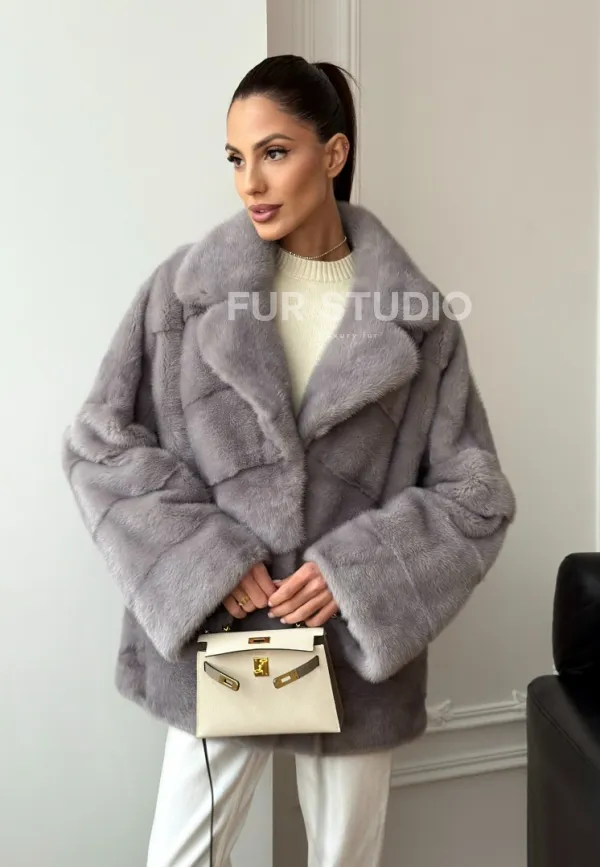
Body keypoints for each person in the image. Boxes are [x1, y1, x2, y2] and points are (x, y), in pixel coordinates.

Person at [62, 54, 516, 867]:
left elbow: (474, 494)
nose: (251, 182)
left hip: (350, 651)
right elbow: (100, 440)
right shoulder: (183, 293)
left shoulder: (418, 320)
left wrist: (358, 574)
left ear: (333, 154)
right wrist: (208, 559)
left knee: (345, 859)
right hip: (218, 636)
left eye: (274, 152)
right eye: (236, 157)